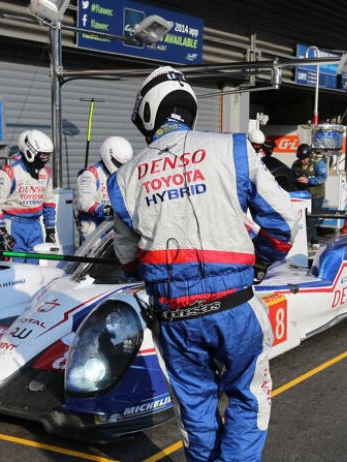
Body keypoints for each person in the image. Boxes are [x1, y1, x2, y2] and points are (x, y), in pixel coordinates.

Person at [108, 66, 298, 461]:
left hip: (175, 318)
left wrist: (163, 280)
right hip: (236, 307)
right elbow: (284, 222)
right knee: (249, 399)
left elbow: (127, 259)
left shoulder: (124, 177)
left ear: (147, 112)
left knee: (196, 411)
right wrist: (260, 263)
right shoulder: (233, 148)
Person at [0, 130, 57, 263]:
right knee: (15, 271)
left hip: (35, 226)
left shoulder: (46, 173)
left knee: (34, 270)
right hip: (13, 225)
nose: (45, 158)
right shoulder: (9, 171)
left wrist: (50, 232)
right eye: (42, 154)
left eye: (48, 155)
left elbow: (49, 204)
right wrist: (3, 233)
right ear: (30, 151)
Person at [76, 136, 133, 242]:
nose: (120, 167)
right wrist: (109, 211)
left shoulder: (122, 176)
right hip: (93, 226)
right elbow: (84, 203)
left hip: (114, 225)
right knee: (94, 257)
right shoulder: (90, 174)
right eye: (118, 163)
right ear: (108, 155)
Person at [291, 143, 327, 248]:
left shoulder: (318, 163)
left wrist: (309, 180)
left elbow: (323, 178)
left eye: (305, 158)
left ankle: (309, 242)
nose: (302, 160)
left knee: (311, 220)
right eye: (301, 158)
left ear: (309, 156)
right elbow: (291, 177)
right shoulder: (296, 164)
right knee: (302, 219)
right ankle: (310, 241)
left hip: (316, 195)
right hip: (302, 195)